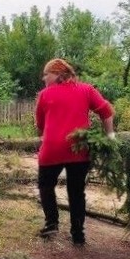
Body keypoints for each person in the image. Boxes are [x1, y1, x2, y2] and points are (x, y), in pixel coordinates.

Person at [35, 58, 115, 246]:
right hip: (79, 149)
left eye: (46, 74)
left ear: (58, 75)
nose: (43, 78)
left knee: (46, 185)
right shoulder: (87, 90)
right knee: (76, 191)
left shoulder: (45, 95)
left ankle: (51, 223)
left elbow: (40, 125)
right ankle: (78, 234)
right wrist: (110, 137)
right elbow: (106, 111)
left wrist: (48, 132)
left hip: (52, 148)